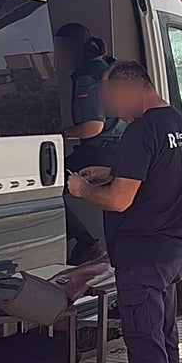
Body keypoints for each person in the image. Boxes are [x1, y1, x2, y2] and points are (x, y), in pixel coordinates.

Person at [67, 60, 182, 363]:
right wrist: (114, 170)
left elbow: (120, 200)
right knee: (165, 340)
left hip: (142, 257)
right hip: (171, 250)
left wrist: (83, 188)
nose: (109, 107)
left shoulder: (140, 132)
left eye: (112, 97)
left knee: (146, 348)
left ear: (132, 89)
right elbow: (158, 173)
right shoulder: (177, 122)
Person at [54, 23, 122, 265]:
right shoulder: (101, 67)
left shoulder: (89, 76)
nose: (56, 55)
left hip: (100, 152)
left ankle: (87, 245)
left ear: (72, 48)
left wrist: (59, 135)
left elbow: (93, 126)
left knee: (47, 189)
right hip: (111, 150)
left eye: (58, 49)